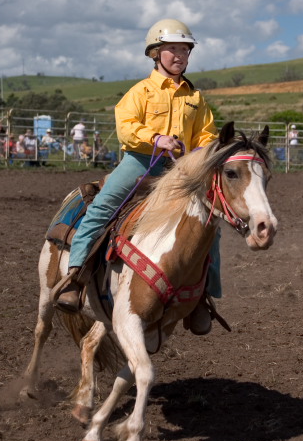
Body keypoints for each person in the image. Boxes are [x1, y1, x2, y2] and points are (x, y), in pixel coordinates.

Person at [54, 18, 218, 335]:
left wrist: (206, 151)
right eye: (172, 49)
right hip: (141, 162)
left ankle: (200, 297)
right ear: (156, 53)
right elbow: (126, 126)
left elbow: (206, 134)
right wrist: (156, 139)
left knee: (207, 224)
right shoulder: (139, 92)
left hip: (180, 169)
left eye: (185, 49)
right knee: (102, 208)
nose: (180, 55)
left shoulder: (195, 98)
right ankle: (75, 278)